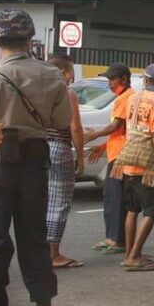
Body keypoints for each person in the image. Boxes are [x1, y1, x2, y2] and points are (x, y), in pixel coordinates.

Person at [0, 9, 72, 306]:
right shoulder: (51, 74)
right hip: (35, 164)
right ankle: (42, 300)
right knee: (35, 238)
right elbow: (60, 120)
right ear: (30, 39)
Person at [109, 64, 154, 271]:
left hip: (127, 159)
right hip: (147, 164)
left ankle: (129, 253)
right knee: (151, 211)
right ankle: (134, 255)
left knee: (132, 209)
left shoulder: (132, 98)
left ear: (144, 80)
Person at [85, 63, 134, 255]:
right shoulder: (125, 97)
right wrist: (102, 146)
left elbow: (116, 126)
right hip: (118, 153)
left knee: (116, 199)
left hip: (121, 156)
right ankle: (112, 237)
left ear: (123, 79)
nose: (110, 84)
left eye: (112, 80)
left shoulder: (126, 98)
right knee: (111, 197)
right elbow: (121, 131)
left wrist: (95, 134)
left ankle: (117, 240)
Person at [45, 53, 86, 269]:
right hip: (59, 149)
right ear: (63, 71)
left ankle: (40, 252)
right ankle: (53, 254)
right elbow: (75, 128)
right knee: (58, 203)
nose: (72, 76)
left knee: (40, 202)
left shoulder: (36, 90)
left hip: (36, 149)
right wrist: (80, 156)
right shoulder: (66, 93)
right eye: (71, 70)